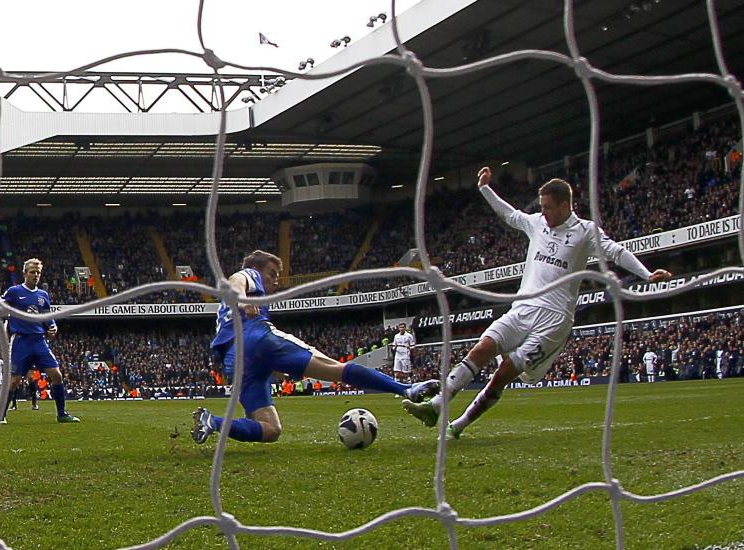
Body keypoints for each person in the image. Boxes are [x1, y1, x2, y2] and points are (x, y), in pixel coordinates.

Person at [403, 167, 672, 439]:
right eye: (541, 206)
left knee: (505, 372)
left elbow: (615, 251)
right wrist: (485, 189)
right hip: (523, 308)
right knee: (483, 347)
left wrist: (647, 273)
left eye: (548, 207)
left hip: (554, 320)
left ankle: (458, 425)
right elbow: (510, 215)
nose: (543, 212)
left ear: (565, 205)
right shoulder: (537, 224)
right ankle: (435, 407)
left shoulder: (585, 232)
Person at [191, 250, 439, 445]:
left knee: (270, 429)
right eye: (272, 273)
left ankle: (212, 422)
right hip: (256, 336)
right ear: (257, 270)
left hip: (234, 358)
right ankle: (406, 389)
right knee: (334, 368)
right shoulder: (248, 274)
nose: (276, 280)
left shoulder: (228, 308)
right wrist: (244, 301)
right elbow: (235, 281)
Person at [0, 258, 79, 424]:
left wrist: (53, 326)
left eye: (38, 273)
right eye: (32, 272)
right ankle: (1, 416)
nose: (36, 275)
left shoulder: (43, 295)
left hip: (39, 341)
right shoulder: (14, 292)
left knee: (57, 375)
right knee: (13, 381)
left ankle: (62, 414)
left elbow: (48, 318)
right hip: (21, 341)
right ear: (25, 273)